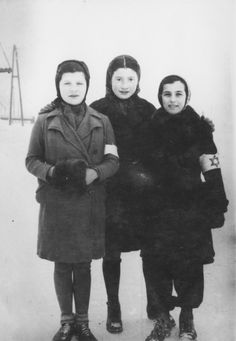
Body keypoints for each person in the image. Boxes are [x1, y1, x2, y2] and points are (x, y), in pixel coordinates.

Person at [25, 59, 119, 341]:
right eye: (67, 82)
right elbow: (31, 160)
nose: (73, 88)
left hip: (88, 203)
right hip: (57, 204)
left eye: (79, 82)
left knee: (83, 264)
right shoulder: (45, 120)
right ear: (58, 85)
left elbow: (113, 160)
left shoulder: (102, 121)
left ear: (87, 85)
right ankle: (66, 322)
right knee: (63, 264)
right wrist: (51, 172)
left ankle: (84, 322)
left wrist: (95, 173)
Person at [142, 75, 228, 341]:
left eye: (179, 94)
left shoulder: (200, 129)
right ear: (160, 97)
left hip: (190, 209)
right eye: (167, 94)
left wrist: (217, 204)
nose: (173, 100)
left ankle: (187, 317)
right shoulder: (150, 127)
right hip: (157, 209)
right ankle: (163, 319)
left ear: (187, 97)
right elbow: (141, 170)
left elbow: (212, 169)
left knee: (189, 265)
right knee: (155, 264)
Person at [90, 55, 158, 333]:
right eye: (119, 78)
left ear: (138, 80)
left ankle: (154, 302)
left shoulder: (148, 109)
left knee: (150, 248)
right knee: (111, 251)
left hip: (141, 188)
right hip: (110, 188)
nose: (125, 84)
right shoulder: (96, 109)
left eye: (131, 78)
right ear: (109, 79)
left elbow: (158, 148)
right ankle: (113, 307)